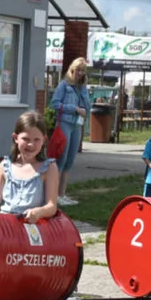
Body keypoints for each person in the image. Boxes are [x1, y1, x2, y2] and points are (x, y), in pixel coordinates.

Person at [0, 110, 59, 223]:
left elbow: (51, 206)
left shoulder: (49, 168)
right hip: (5, 225)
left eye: (36, 140)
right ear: (16, 138)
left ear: (44, 140)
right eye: (26, 139)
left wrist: (38, 212)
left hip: (31, 228)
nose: (31, 144)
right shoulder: (5, 166)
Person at [50, 57, 91, 206]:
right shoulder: (64, 85)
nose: (79, 73)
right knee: (61, 158)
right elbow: (54, 103)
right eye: (77, 70)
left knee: (70, 161)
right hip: (65, 123)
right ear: (71, 70)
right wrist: (73, 108)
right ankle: (53, 195)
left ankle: (62, 194)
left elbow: (87, 107)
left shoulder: (82, 88)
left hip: (77, 126)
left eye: (82, 71)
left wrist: (84, 95)